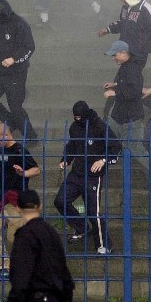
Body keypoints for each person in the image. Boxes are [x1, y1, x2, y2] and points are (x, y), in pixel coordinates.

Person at [1, 190, 76, 302]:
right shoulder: (51, 233)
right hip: (49, 301)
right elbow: (62, 271)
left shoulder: (24, 236)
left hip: (34, 300)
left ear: (17, 208)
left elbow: (21, 275)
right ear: (40, 206)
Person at [54, 101, 121, 254]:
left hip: (93, 176)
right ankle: (82, 228)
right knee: (60, 200)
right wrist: (66, 159)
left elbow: (116, 147)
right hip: (76, 173)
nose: (77, 120)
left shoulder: (100, 127)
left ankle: (104, 245)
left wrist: (103, 160)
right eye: (75, 117)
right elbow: (72, 146)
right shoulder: (74, 127)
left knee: (93, 212)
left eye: (79, 117)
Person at [103, 40, 151, 190]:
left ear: (124, 53)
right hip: (119, 116)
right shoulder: (125, 67)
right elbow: (128, 85)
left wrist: (114, 92)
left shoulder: (132, 68)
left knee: (135, 148)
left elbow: (134, 91)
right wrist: (115, 85)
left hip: (131, 118)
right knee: (106, 137)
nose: (113, 58)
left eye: (115, 55)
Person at [0, 122, 40, 277]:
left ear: (7, 135)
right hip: (1, 199)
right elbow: (2, 168)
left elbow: (36, 169)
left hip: (17, 200)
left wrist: (23, 173)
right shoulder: (1, 150)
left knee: (13, 236)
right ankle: (3, 266)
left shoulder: (20, 150)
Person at [0, 0, 38, 142]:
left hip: (16, 74)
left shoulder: (20, 24)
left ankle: (31, 136)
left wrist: (14, 59)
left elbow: (29, 48)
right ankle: (11, 121)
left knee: (16, 107)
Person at [97, 0, 151, 65]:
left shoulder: (146, 8)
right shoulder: (125, 7)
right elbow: (122, 23)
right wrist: (108, 29)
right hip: (125, 49)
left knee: (132, 74)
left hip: (139, 51)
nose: (122, 0)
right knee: (125, 75)